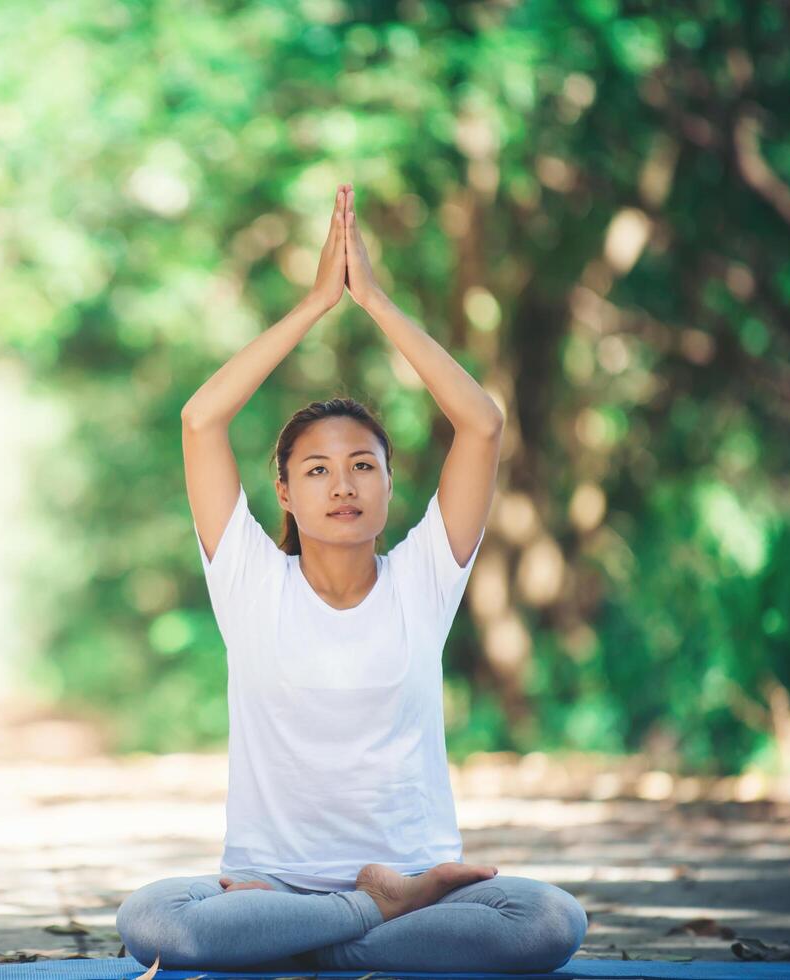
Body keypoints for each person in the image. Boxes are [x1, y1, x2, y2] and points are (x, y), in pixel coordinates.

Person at [114, 184, 587, 974]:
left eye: (362, 466)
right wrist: (309, 308)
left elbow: (481, 422)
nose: (342, 485)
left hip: (419, 879)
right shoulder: (249, 583)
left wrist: (372, 302)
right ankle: (366, 921)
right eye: (318, 470)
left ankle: (315, 939)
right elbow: (201, 420)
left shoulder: (423, 580)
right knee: (157, 923)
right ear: (286, 494)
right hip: (270, 885)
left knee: (545, 922)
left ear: (387, 487)